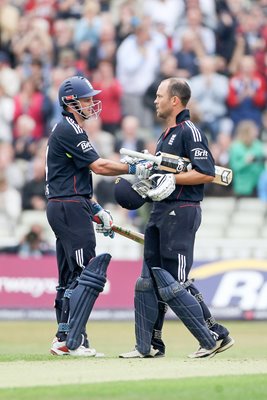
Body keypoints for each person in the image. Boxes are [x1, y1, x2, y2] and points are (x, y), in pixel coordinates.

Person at [119, 78, 234, 359]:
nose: (155, 100)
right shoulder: (165, 134)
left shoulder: (190, 131)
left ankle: (214, 336)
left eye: (159, 96)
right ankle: (149, 345)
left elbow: (206, 171)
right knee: (150, 280)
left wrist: (170, 176)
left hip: (181, 211)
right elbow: (166, 176)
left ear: (175, 100)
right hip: (159, 210)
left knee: (175, 282)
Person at [46, 75, 151, 357]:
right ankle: (70, 340)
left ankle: (66, 337)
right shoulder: (69, 129)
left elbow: (73, 179)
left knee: (70, 277)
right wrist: (133, 170)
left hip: (69, 204)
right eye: (86, 99)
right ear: (70, 103)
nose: (92, 103)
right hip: (68, 207)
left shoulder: (71, 129)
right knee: (85, 274)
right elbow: (99, 166)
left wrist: (95, 209)